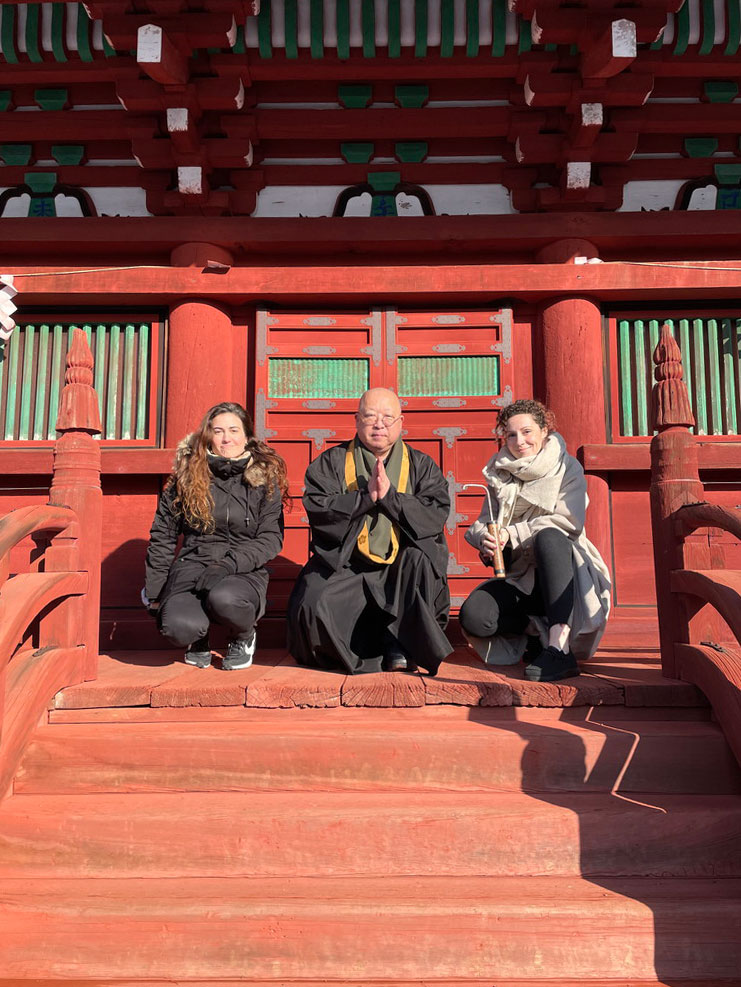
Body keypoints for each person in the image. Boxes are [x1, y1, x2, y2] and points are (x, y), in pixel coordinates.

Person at [287, 387, 453, 676]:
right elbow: (318, 507)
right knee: (313, 602)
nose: (379, 424)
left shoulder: (421, 465)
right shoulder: (332, 462)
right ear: (356, 420)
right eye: (370, 416)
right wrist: (365, 499)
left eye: (388, 417)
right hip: (349, 562)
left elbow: (435, 511)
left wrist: (390, 498)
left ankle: (400, 645)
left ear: (401, 422)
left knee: (422, 559)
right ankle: (362, 652)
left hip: (402, 565)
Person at [459, 399, 611, 683]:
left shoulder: (568, 468)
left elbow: (568, 521)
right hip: (521, 576)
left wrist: (512, 534)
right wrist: (487, 539)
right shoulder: (499, 471)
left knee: (550, 538)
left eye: (527, 432)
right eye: (511, 434)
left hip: (564, 574)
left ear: (544, 431)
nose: (520, 441)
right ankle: (534, 635)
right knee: (475, 617)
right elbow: (484, 520)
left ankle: (558, 648)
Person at [143, 401, 287, 670]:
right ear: (207, 435)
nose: (225, 438)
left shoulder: (263, 480)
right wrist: (155, 590)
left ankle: (243, 636)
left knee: (225, 599)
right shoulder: (186, 477)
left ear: (246, 436)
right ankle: (198, 638)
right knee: (176, 627)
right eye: (218, 431)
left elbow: (270, 538)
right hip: (193, 565)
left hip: (242, 570)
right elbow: (163, 535)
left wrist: (228, 565)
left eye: (233, 430)